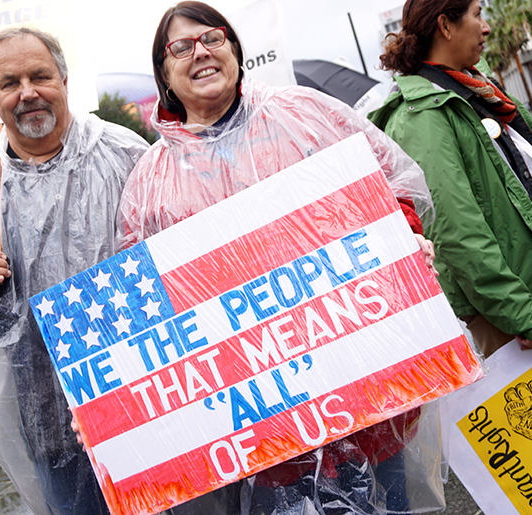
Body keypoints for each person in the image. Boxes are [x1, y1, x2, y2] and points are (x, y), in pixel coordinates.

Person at [115, 2, 441, 513]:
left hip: (366, 398)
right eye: (181, 47)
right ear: (164, 73)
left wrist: (404, 239)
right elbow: (139, 307)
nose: (200, 52)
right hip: (264, 441)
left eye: (213, 38)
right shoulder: (150, 183)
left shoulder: (303, 114)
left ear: (234, 48)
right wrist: (115, 403)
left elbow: (390, 186)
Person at [0, 28, 149, 515]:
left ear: (64, 81)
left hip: (147, 400)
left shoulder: (124, 154)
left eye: (39, 76)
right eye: (10, 83)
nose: (27, 92)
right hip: (49, 423)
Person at [370, 0, 532, 358]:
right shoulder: (421, 116)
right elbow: (455, 230)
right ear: (445, 26)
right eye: (477, 14)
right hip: (522, 312)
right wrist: (519, 312)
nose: (486, 26)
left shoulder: (477, 89)